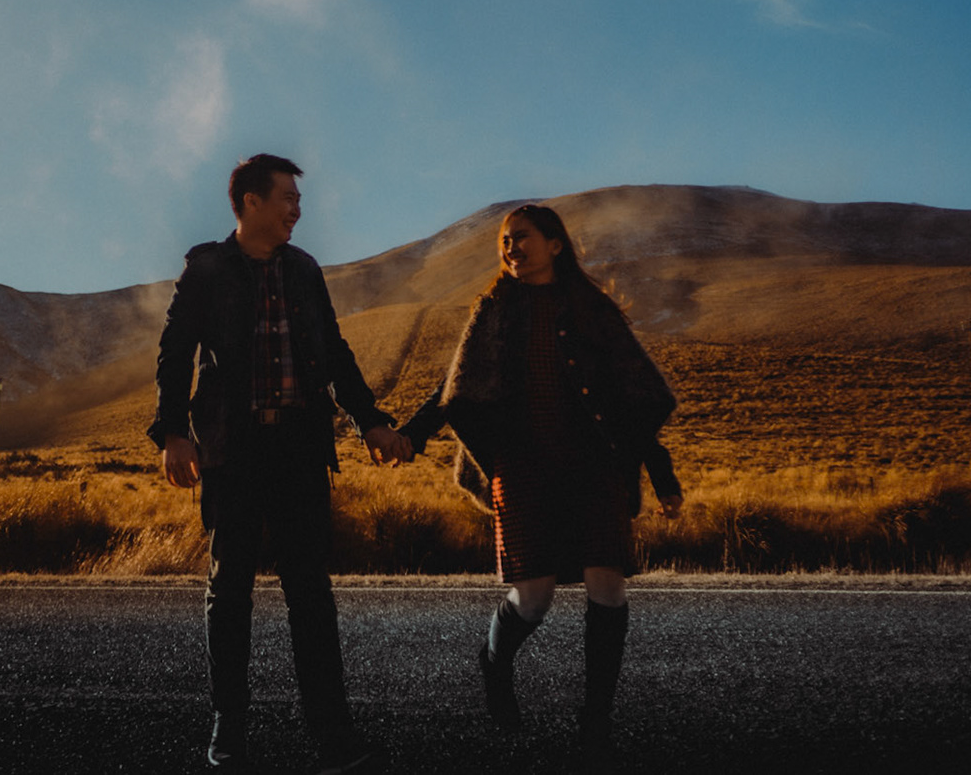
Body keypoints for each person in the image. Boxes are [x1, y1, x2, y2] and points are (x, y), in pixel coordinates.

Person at [148, 153, 412, 773]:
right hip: (232, 452)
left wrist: (368, 419)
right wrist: (172, 433)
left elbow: (336, 351)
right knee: (229, 588)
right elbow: (174, 353)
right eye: (287, 197)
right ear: (250, 204)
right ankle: (230, 724)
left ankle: (331, 731)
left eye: (297, 198)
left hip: (298, 450)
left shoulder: (304, 270)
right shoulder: (207, 269)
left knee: (311, 593)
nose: (298, 207)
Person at [399, 203, 682, 771]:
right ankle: (494, 663)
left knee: (609, 585)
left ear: (555, 244)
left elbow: (628, 394)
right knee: (536, 596)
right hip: (523, 466)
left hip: (594, 464)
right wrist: (411, 433)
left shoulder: (591, 308)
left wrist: (660, 469)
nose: (510, 248)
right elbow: (455, 386)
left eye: (521, 237)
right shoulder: (493, 308)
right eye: (504, 241)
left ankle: (595, 721)